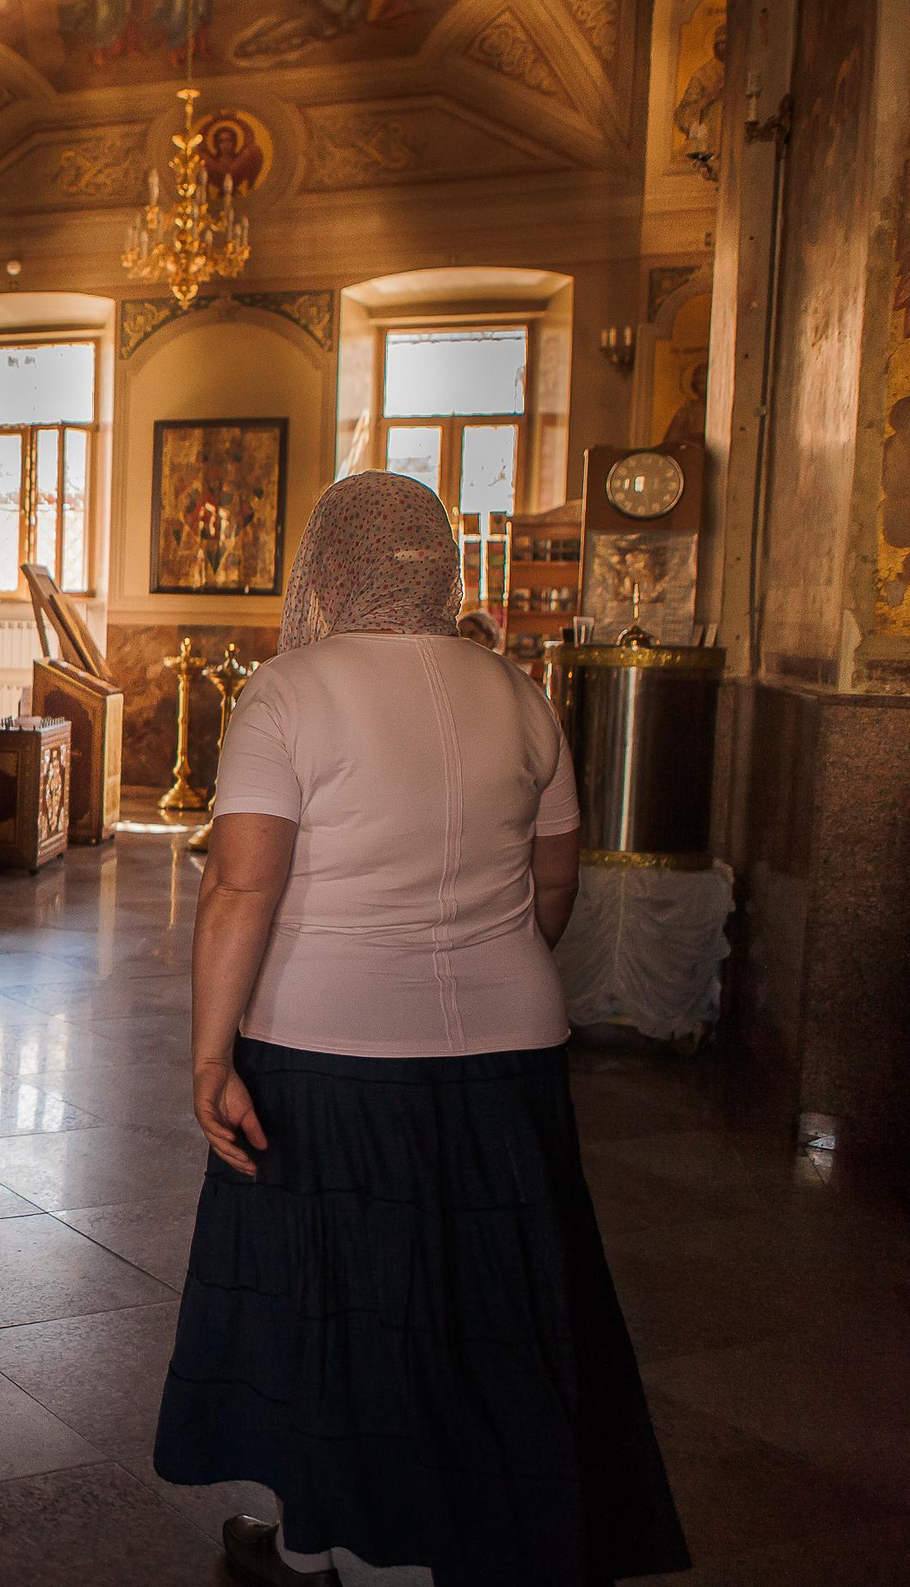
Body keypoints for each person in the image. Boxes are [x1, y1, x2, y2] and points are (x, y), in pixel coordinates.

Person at [153, 473, 688, 1587]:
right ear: (440, 565)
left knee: (331, 1299)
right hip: (510, 1050)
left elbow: (240, 887)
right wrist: (486, 963)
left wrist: (210, 1054)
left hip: (327, 1046)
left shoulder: (292, 689)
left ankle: (332, 1545)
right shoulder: (519, 691)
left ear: (325, 563)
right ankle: (455, 1534)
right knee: (484, 1296)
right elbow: (554, 885)